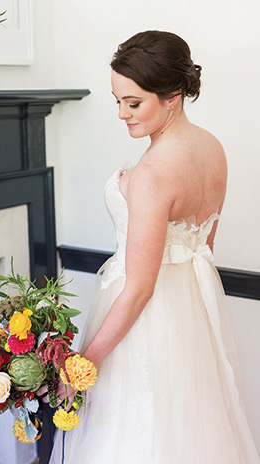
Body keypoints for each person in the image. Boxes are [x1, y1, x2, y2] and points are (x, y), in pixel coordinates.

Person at [46, 31, 260, 463]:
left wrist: (83, 364)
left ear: (173, 95)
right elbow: (205, 244)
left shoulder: (152, 173)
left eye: (134, 102)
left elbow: (140, 288)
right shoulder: (211, 147)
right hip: (192, 313)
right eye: (117, 100)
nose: (122, 114)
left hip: (141, 320)